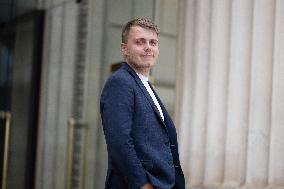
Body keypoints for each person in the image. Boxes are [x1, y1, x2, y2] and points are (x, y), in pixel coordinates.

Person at [100, 18, 185, 189]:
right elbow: (120, 142)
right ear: (124, 49)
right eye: (140, 42)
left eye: (153, 42)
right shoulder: (120, 82)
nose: (148, 47)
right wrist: (142, 184)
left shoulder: (144, 84)